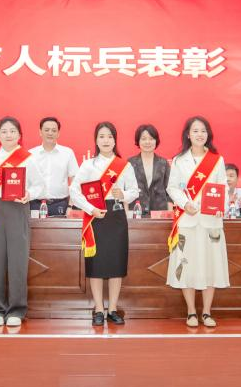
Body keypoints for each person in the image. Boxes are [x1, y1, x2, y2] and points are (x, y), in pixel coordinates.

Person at [70, 121, 139, 326]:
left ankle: (113, 309)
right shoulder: (88, 165)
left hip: (116, 216)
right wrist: (90, 209)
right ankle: (99, 309)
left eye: (110, 136)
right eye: (102, 136)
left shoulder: (124, 165)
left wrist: (122, 194)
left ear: (115, 140)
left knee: (116, 264)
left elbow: (134, 191)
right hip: (95, 217)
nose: (106, 140)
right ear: (96, 140)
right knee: (96, 265)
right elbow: (74, 191)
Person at [166, 116, 230, 328]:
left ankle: (207, 312)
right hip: (188, 220)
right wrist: (185, 204)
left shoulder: (216, 160)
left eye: (203, 131)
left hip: (211, 221)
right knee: (187, 265)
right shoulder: (179, 160)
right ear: (188, 134)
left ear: (208, 134)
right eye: (195, 131)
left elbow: (223, 187)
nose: (199, 134)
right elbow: (172, 188)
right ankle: (191, 312)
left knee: (211, 265)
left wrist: (222, 206)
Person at [0, 116, 44, 328]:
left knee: (18, 260)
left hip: (18, 208)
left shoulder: (28, 158)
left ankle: (17, 309)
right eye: (4, 131)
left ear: (19, 135)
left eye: (12, 131)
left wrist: (29, 194)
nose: (8, 135)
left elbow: (40, 185)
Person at [28, 116, 79, 217]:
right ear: (40, 132)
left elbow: (75, 181)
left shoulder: (67, 153)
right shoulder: (31, 154)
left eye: (54, 130)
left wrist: (70, 206)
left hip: (60, 204)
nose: (50, 133)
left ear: (58, 133)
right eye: (46, 130)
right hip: (34, 204)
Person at [128, 123, 170, 216]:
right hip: (136, 212)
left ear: (156, 141)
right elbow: (125, 191)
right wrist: (126, 214)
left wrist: (170, 214)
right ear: (138, 141)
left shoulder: (163, 163)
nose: (147, 142)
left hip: (159, 213)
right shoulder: (130, 163)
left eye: (151, 139)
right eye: (143, 139)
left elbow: (169, 191)